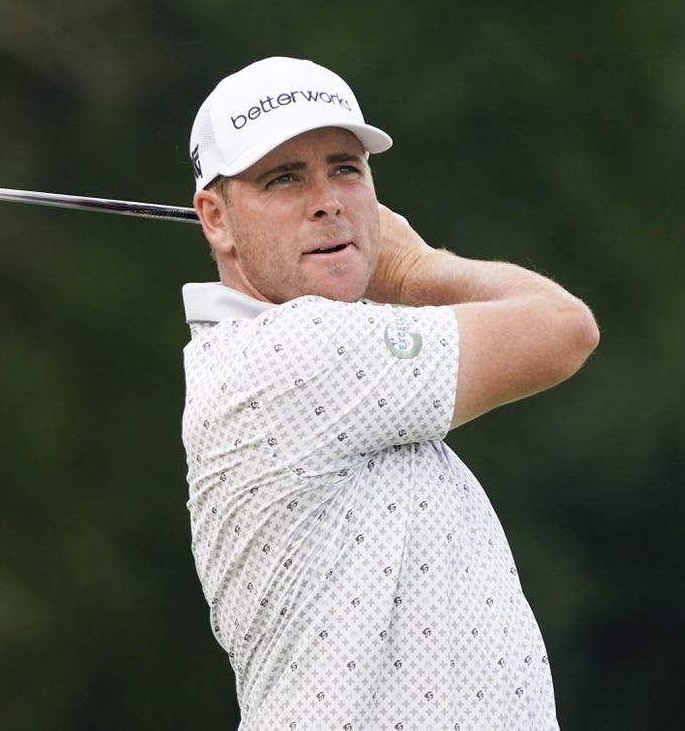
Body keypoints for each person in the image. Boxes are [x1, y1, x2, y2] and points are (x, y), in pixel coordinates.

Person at [180, 57, 599, 730]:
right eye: (283, 177)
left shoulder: (282, 356)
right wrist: (412, 266)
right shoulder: (293, 352)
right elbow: (563, 328)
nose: (328, 200)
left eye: (345, 167)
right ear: (216, 219)